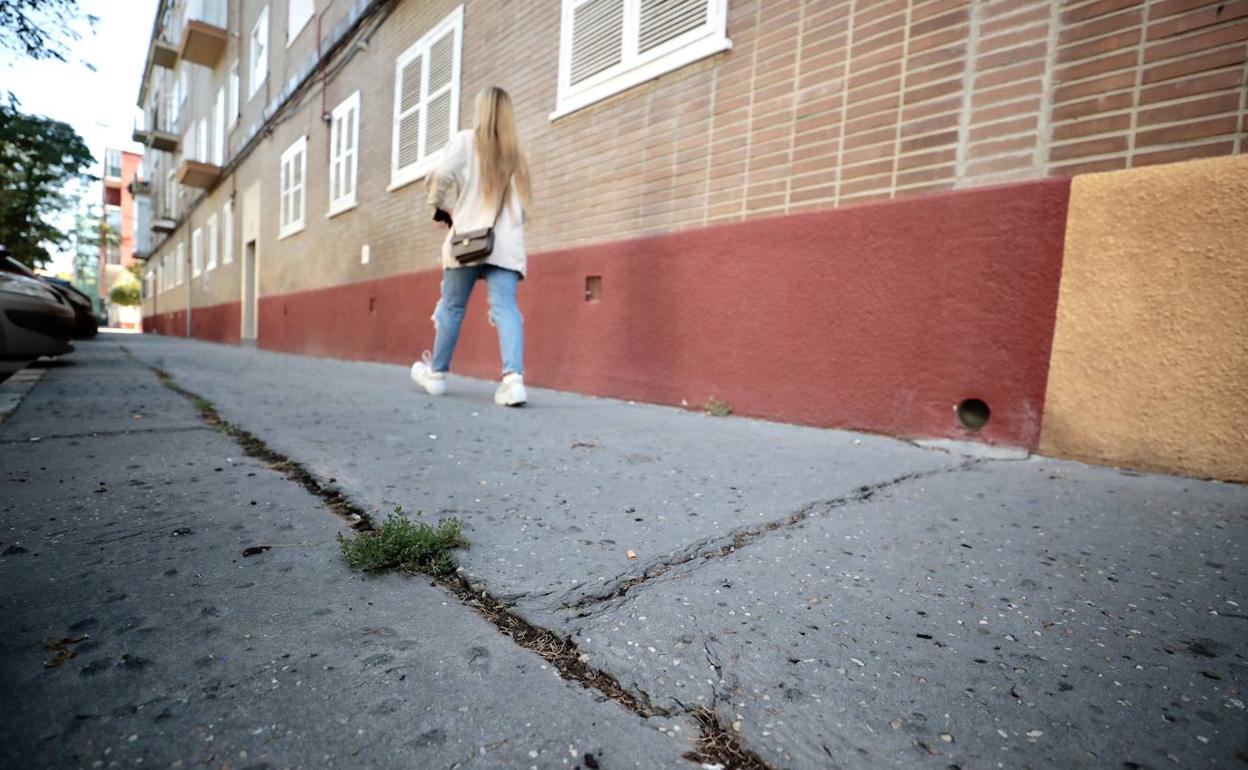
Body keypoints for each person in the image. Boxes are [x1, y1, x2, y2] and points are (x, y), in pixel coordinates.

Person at [410, 86, 532, 407]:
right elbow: (523, 211)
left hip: (466, 241)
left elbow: (441, 175)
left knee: (451, 307)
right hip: (504, 245)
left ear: (481, 111)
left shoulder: (465, 142)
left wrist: (437, 207)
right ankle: (513, 380)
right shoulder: (516, 154)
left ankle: (436, 375)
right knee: (506, 309)